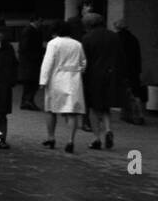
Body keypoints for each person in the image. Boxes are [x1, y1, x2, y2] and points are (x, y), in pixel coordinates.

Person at [40, 21, 86, 153]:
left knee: (50, 109)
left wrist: (43, 80)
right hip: (73, 79)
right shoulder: (77, 44)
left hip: (56, 78)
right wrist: (79, 71)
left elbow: (47, 63)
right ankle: (70, 140)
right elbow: (83, 61)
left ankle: (51, 137)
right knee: (71, 111)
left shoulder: (53, 43)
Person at [81, 13, 121, 151]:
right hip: (111, 75)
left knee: (93, 108)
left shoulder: (87, 38)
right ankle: (108, 129)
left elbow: (84, 60)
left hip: (93, 77)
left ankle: (96, 138)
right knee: (105, 106)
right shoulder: (114, 36)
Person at [115, 19, 145, 125]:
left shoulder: (116, 38)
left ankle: (129, 115)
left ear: (117, 27)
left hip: (121, 69)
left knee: (125, 92)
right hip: (134, 70)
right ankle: (139, 114)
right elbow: (138, 56)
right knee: (135, 92)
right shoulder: (133, 39)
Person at [18, 16, 45, 110]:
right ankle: (28, 101)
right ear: (36, 20)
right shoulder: (30, 31)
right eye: (40, 21)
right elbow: (26, 47)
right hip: (30, 62)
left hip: (29, 62)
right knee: (31, 83)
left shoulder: (29, 30)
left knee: (29, 83)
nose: (41, 23)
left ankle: (27, 101)